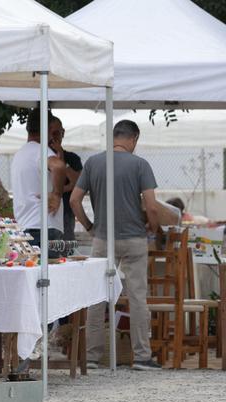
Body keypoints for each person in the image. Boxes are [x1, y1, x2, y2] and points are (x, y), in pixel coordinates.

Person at [70, 119, 161, 371]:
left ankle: (92, 357)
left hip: (102, 239)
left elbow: (75, 200)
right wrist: (151, 228)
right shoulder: (140, 164)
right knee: (137, 297)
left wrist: (90, 226)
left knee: (97, 298)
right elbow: (152, 206)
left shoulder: (93, 163)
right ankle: (142, 356)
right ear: (134, 139)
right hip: (133, 239)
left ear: (113, 137)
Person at [10, 109, 68, 256]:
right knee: (51, 277)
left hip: (24, 228)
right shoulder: (41, 151)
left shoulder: (20, 154)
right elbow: (58, 166)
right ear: (48, 129)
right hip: (44, 228)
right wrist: (56, 195)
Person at [50, 116, 84, 243]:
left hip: (66, 212)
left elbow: (77, 183)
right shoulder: (38, 156)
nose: (54, 138)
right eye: (51, 133)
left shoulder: (72, 158)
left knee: (66, 246)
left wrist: (61, 158)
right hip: (46, 210)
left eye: (58, 133)